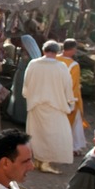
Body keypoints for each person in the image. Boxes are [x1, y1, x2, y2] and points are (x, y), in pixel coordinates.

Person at [23, 40, 75, 171]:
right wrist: (70, 102)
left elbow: (26, 86)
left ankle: (39, 160)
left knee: (37, 134)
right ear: (57, 52)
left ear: (43, 50)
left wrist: (30, 96)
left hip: (36, 106)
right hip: (55, 106)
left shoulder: (33, 64)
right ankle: (45, 162)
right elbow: (68, 87)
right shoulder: (61, 67)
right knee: (53, 136)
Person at [57, 39, 89, 155]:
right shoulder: (74, 65)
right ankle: (73, 147)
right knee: (73, 124)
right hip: (68, 98)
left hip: (55, 96)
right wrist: (74, 102)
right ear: (73, 50)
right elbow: (74, 86)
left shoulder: (55, 59)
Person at [6, 33, 42, 125]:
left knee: (23, 99)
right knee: (18, 98)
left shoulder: (30, 56)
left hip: (26, 78)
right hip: (20, 77)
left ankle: (22, 119)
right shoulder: (25, 51)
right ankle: (17, 116)